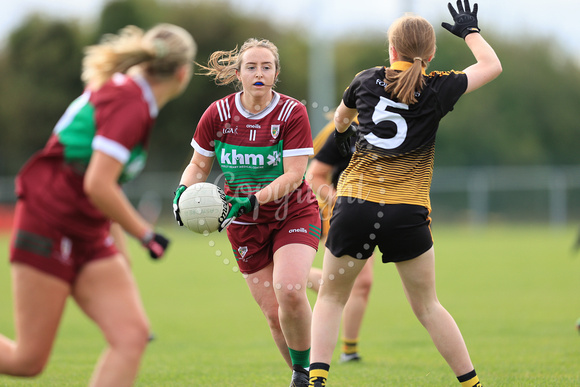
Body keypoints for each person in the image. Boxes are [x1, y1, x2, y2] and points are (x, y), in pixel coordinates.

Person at [309, 1, 502, 386]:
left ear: (391, 50)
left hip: (356, 206)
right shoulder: (438, 87)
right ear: (430, 55)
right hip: (407, 211)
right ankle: (472, 383)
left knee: (331, 299)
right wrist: (470, 32)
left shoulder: (365, 80)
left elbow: (341, 122)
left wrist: (352, 122)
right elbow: (492, 66)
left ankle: (316, 380)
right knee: (428, 307)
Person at [0, 24, 196, 387]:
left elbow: (103, 192)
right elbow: (97, 184)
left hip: (86, 229)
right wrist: (146, 233)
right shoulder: (131, 103)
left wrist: (120, 256)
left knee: (131, 336)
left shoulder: (130, 94)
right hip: (49, 219)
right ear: (182, 74)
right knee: (28, 361)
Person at [172, 38, 321, 387]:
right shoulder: (218, 114)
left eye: (266, 67)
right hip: (242, 223)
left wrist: (253, 199)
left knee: (289, 290)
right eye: (251, 67)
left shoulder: (291, 112)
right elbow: (198, 164)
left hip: (292, 213)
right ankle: (300, 373)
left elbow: (294, 174)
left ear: (276, 73)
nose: (259, 73)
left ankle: (313, 376)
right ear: (238, 73)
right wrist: (182, 192)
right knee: (273, 315)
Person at [306, 118, 374, 363]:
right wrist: (339, 202)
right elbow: (314, 175)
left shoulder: (391, 122)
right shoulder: (345, 128)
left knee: (360, 284)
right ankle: (293, 275)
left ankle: (350, 350)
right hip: (343, 214)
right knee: (357, 281)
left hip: (375, 211)